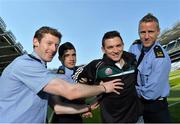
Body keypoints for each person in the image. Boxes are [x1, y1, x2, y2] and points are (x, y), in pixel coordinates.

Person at [0, 26, 123, 123]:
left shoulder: (41, 71)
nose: (53, 48)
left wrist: (87, 108)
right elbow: (70, 91)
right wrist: (104, 88)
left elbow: (58, 108)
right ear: (35, 41)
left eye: (56, 45)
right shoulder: (25, 64)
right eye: (49, 43)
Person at [75, 31, 141, 123]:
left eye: (118, 45)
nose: (116, 51)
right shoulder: (97, 66)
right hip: (112, 120)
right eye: (110, 47)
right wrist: (99, 87)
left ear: (123, 45)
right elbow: (80, 84)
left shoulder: (132, 60)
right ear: (103, 50)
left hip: (137, 119)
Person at [129, 13, 171, 123]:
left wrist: (129, 89)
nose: (146, 36)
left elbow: (150, 93)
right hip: (137, 106)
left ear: (158, 32)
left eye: (150, 32)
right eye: (143, 32)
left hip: (155, 108)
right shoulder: (134, 47)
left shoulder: (160, 58)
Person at [49, 42, 91, 123]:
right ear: (60, 58)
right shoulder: (55, 77)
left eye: (73, 55)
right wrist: (86, 107)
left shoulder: (80, 73)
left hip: (77, 119)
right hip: (61, 120)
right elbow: (58, 106)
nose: (72, 58)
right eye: (67, 55)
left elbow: (80, 99)